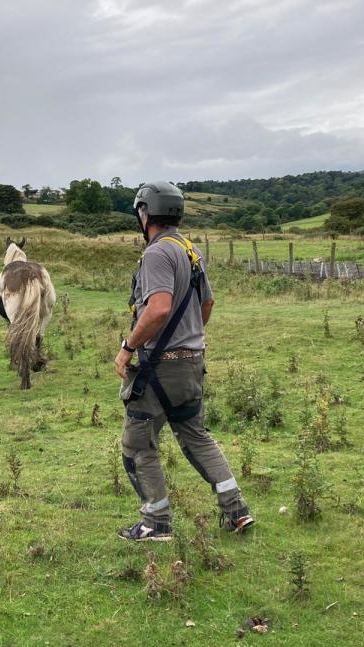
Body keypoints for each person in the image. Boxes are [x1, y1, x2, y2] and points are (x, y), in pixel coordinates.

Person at [114, 181, 254, 541]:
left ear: (145, 214)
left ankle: (156, 523)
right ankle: (236, 509)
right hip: (192, 363)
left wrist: (129, 346)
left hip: (160, 368)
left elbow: (158, 308)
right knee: (196, 436)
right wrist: (188, 337)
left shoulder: (157, 254)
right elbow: (207, 305)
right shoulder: (191, 250)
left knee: (138, 444)